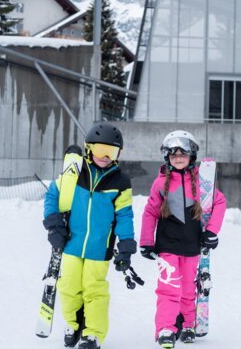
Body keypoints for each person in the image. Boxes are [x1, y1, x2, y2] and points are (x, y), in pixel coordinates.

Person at [42, 123, 136, 349]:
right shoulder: (74, 172)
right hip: (71, 243)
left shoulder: (120, 182)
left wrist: (126, 245)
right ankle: (74, 324)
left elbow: (124, 215)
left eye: (111, 152)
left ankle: (92, 333)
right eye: (100, 150)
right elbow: (53, 196)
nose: (104, 157)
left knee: (94, 290)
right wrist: (54, 226)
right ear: (88, 149)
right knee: (69, 287)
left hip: (99, 248)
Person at [140, 130, 226, 348]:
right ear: (167, 157)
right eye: (173, 154)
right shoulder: (160, 184)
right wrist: (146, 241)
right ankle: (166, 328)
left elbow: (220, 203)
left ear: (191, 156)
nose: (178, 158)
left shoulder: (201, 182)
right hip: (167, 245)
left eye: (182, 154)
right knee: (169, 288)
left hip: (192, 245)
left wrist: (212, 231)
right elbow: (150, 212)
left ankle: (187, 324)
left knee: (188, 288)